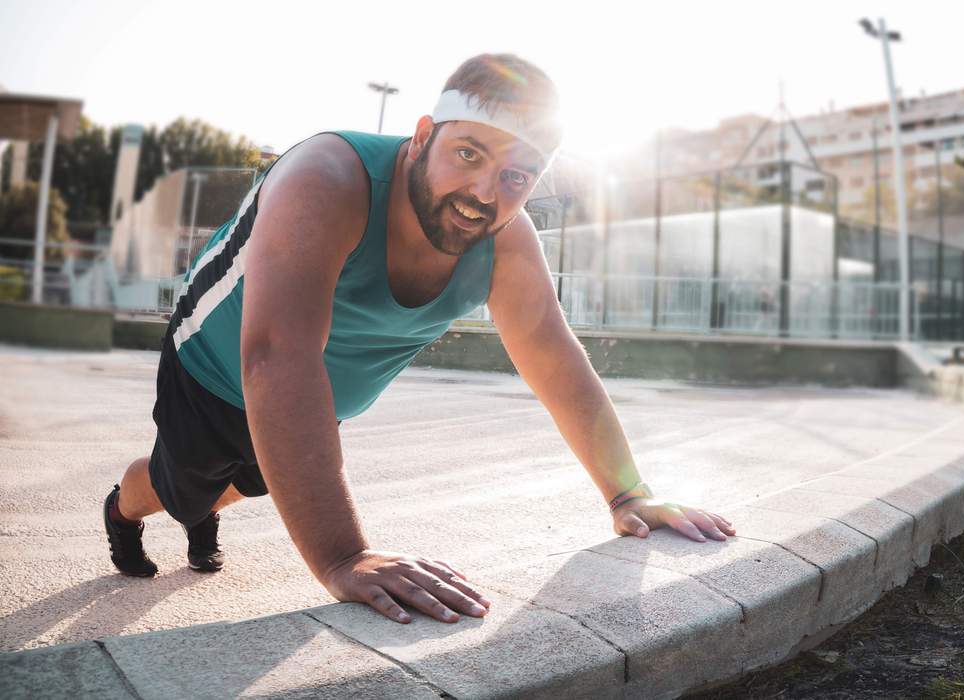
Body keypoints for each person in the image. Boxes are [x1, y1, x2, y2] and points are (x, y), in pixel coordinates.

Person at [103, 53, 736, 626]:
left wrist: (628, 494)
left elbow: (553, 355)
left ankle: (207, 502)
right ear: (424, 135)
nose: (485, 193)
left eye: (518, 177)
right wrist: (343, 557)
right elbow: (275, 356)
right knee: (184, 487)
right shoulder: (325, 177)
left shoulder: (507, 243)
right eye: (469, 154)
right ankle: (124, 510)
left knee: (258, 476)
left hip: (312, 402)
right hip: (216, 365)